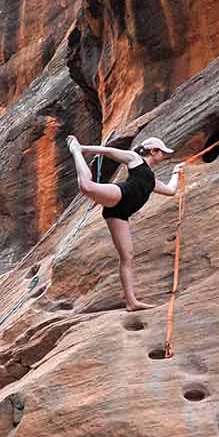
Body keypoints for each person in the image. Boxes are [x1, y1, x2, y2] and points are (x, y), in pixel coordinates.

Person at [65, 134, 183, 312]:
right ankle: (75, 151)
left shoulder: (151, 180)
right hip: (120, 194)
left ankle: (131, 302)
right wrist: (83, 148)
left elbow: (171, 191)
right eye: (163, 152)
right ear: (153, 151)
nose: (164, 156)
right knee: (86, 186)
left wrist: (176, 172)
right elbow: (110, 152)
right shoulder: (136, 159)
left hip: (120, 213)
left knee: (127, 256)